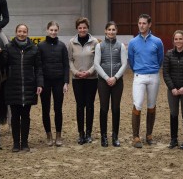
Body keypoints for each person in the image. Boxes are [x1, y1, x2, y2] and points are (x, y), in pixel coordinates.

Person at [1, 24, 43, 152]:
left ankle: (24, 143)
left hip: (29, 86)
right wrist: (0, 54)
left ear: (27, 33)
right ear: (16, 32)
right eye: (19, 31)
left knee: (25, 116)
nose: (22, 34)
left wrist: (39, 83)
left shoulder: (34, 49)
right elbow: (3, 64)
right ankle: (15, 143)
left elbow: (38, 68)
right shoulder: (8, 48)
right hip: (13, 86)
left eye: (24, 32)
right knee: (14, 116)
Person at [128, 14, 164, 148]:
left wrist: (153, 69)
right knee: (137, 104)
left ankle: (149, 135)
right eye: (139, 23)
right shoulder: (133, 42)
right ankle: (136, 136)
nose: (141, 25)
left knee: (151, 105)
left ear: (149, 25)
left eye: (144, 23)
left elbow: (160, 59)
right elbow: (130, 61)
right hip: (139, 76)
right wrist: (139, 70)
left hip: (154, 76)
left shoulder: (157, 41)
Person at [94, 21, 128, 147]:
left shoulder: (121, 46)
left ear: (116, 31)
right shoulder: (100, 46)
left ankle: (115, 136)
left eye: (113, 29)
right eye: (109, 29)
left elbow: (124, 64)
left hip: (117, 82)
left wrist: (116, 77)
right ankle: (103, 136)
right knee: (104, 108)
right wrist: (106, 77)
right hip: (103, 81)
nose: (111, 32)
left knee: (116, 108)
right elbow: (97, 64)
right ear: (105, 31)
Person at [163, 30, 183, 150]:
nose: (178, 41)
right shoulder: (169, 54)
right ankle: (174, 139)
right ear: (173, 41)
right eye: (176, 39)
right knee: (173, 113)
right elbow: (166, 73)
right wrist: (172, 88)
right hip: (172, 90)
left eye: (180, 39)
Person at [38, 21, 69, 147]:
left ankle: (58, 135)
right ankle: (48, 134)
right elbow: (38, 66)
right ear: (47, 30)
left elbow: (66, 65)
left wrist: (66, 82)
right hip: (45, 81)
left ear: (58, 31)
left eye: (55, 30)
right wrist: (39, 83)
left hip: (58, 81)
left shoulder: (62, 46)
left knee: (58, 109)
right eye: (51, 30)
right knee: (45, 109)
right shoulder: (40, 46)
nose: (53, 32)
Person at [68, 17, 99, 145]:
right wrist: (76, 72)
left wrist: (89, 72)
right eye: (80, 27)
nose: (82, 30)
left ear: (88, 28)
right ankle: (80, 134)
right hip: (77, 79)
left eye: (84, 27)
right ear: (77, 28)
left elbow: (97, 60)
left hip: (91, 79)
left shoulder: (95, 42)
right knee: (80, 106)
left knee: (90, 106)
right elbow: (69, 60)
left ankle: (88, 133)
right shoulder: (71, 42)